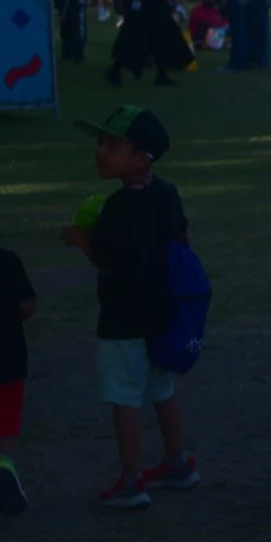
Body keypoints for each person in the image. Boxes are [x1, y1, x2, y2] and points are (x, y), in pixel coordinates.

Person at [60, 105, 196, 508]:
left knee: (124, 397)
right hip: (160, 314)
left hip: (121, 320)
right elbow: (182, 242)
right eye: (101, 143)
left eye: (113, 145)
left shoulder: (117, 207)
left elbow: (104, 258)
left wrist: (77, 237)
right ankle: (177, 463)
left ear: (142, 158)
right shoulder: (167, 193)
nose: (101, 152)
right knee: (162, 389)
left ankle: (132, 481)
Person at [0, 242, 29, 514]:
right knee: (7, 419)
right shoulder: (8, 260)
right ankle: (5, 466)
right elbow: (28, 304)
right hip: (8, 353)